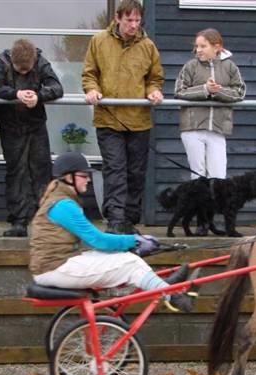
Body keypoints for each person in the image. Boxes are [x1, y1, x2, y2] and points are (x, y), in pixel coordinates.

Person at [29, 152, 196, 312]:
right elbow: (97, 240)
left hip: (57, 264)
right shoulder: (63, 205)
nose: (88, 180)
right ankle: (172, 296)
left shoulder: (61, 200)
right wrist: (135, 240)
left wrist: (130, 244)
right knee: (131, 263)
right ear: (68, 177)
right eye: (83, 175)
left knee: (127, 259)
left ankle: (163, 286)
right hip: (55, 268)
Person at [82, 0, 165, 234]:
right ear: (118, 18)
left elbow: (155, 77)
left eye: (137, 20)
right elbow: (89, 73)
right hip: (109, 118)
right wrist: (91, 89)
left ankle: (129, 220)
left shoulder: (148, 46)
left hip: (138, 120)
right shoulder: (99, 42)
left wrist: (153, 91)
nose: (133, 25)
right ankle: (115, 219)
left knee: (136, 173)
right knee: (115, 168)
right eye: (129, 20)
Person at [174, 28, 246, 236]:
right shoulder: (190, 66)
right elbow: (179, 90)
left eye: (203, 46)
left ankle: (213, 221)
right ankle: (201, 223)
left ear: (217, 47)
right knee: (198, 177)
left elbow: (239, 91)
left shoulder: (230, 67)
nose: (198, 50)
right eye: (196, 46)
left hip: (217, 128)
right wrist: (205, 90)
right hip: (193, 127)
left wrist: (219, 91)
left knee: (218, 176)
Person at [0, 38, 63, 237]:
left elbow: (57, 87)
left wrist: (38, 96)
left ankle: (46, 220)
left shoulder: (41, 61)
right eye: (19, 69)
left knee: (42, 171)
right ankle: (19, 221)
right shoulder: (1, 61)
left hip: (36, 125)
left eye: (27, 69)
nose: (23, 72)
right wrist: (17, 94)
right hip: (10, 126)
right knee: (16, 172)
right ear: (12, 60)